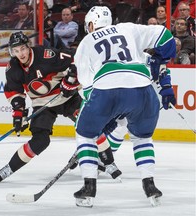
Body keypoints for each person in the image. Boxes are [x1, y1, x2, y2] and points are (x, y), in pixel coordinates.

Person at [73, 6, 176, 207]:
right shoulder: (127, 29)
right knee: (142, 137)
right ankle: (150, 186)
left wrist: (105, 115)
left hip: (107, 88)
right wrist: (161, 57)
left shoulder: (86, 42)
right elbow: (165, 36)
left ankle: (89, 187)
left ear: (91, 24)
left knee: (85, 133)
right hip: (143, 88)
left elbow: (87, 87)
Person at [0, 31, 82, 182]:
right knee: (41, 140)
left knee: (87, 125)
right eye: (15, 50)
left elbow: (73, 59)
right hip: (42, 104)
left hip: (66, 97)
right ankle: (9, 168)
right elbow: (15, 93)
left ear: (28, 47)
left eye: (22, 49)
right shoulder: (13, 67)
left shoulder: (45, 54)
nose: (20, 53)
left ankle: (93, 156)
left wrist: (71, 78)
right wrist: (18, 115)